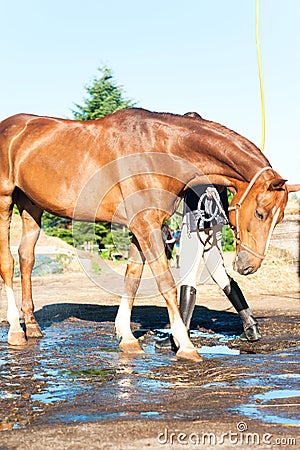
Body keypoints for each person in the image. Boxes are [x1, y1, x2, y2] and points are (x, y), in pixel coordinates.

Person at [156, 112, 261, 349]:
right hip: (216, 224)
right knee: (219, 273)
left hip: (195, 221)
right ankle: (249, 323)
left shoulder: (191, 159)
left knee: (187, 276)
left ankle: (179, 336)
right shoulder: (216, 158)